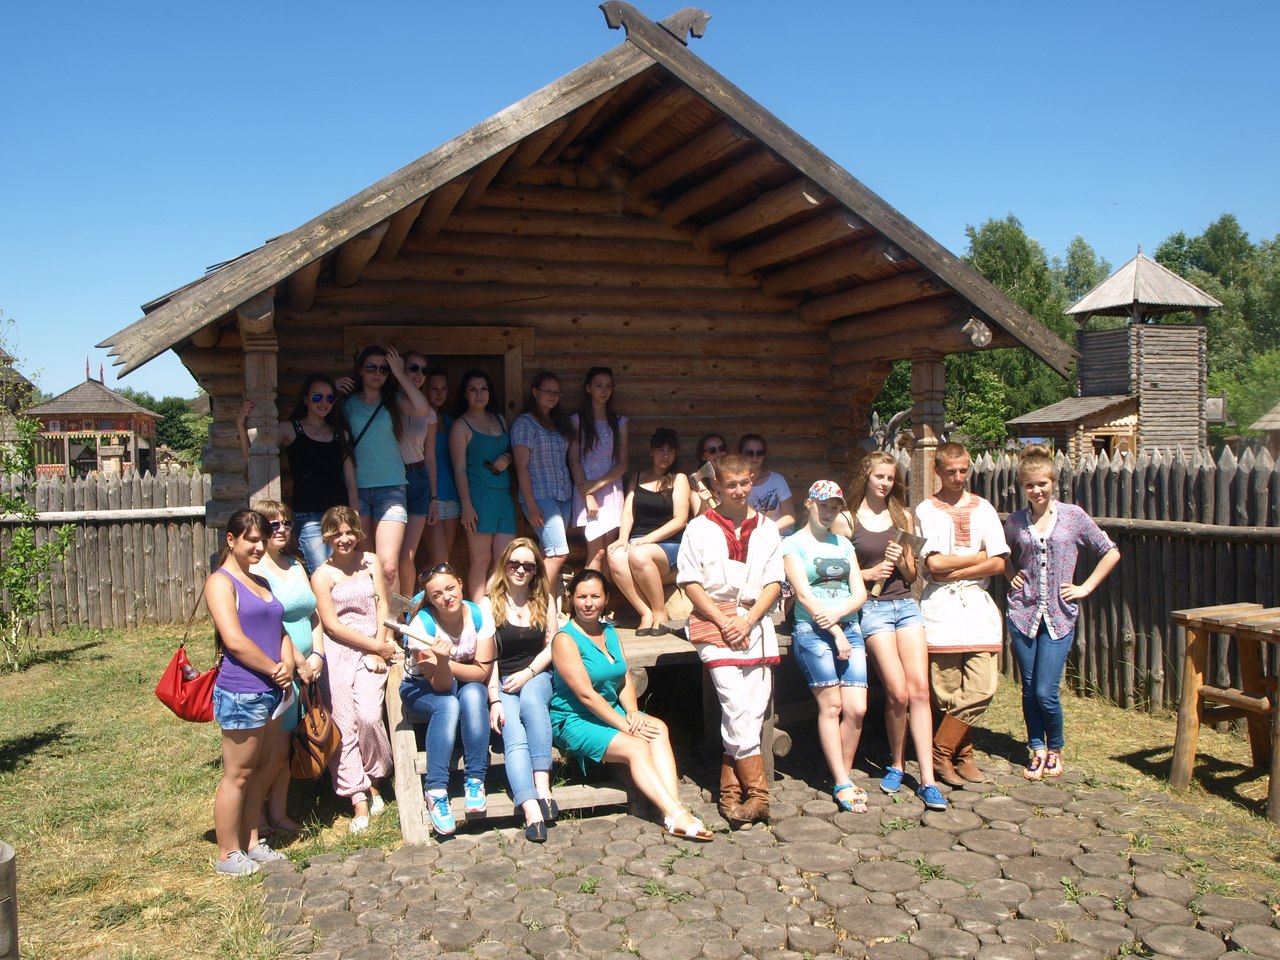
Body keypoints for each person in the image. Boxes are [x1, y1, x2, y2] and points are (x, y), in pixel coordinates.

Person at [550, 570, 712, 841]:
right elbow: (586, 695)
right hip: (575, 718)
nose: (588, 603)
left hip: (611, 710)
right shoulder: (565, 639)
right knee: (636, 746)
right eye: (581, 597)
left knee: (658, 729)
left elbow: (623, 676)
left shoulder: (609, 632)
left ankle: (673, 809)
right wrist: (625, 725)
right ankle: (675, 813)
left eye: (595, 596)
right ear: (571, 599)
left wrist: (633, 712)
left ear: (606, 599)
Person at [676, 454, 783, 827]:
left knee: (753, 711)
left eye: (745, 483)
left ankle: (730, 792)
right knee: (735, 705)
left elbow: (774, 581)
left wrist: (748, 619)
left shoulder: (767, 529)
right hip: (713, 622)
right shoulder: (699, 528)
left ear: (752, 480)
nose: (739, 491)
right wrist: (724, 621)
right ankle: (760, 794)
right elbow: (690, 581)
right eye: (731, 484)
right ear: (717, 486)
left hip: (754, 623)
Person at [1004, 445, 1119, 779]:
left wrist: (1085, 587)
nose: (1037, 490)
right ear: (1022, 486)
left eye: (1042, 483)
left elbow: (1110, 551)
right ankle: (1036, 749)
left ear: (1053, 482)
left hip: (1059, 614)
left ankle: (1055, 747)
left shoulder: (1073, 517)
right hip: (1023, 614)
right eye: (1030, 485)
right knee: (1028, 689)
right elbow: (1000, 553)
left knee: (1045, 690)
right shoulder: (1016, 522)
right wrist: (1010, 574)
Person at [833, 452, 942, 803]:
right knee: (897, 692)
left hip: (905, 606)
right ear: (866, 476)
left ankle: (928, 779)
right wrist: (869, 573)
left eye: (890, 478)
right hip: (872, 609)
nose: (885, 483)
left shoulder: (902, 517)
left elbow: (911, 575)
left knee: (920, 691)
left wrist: (903, 560)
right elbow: (835, 573)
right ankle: (897, 764)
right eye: (880, 476)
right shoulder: (847, 520)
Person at [915, 442, 1010, 788]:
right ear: (938, 471)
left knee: (983, 685)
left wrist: (957, 570)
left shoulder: (983, 508)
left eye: (963, 470)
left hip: (976, 604)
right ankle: (962, 754)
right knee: (946, 689)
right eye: (951, 471)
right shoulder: (927, 510)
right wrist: (977, 557)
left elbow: (999, 562)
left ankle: (940, 750)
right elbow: (934, 563)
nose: (958, 477)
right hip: (941, 606)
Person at [206, 510, 294, 876]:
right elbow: (234, 641)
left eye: (263, 539)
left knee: (260, 770)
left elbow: (280, 629)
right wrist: (274, 668)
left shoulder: (261, 580)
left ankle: (252, 842)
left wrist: (288, 662)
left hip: (273, 690)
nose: (259, 547)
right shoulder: (220, 582)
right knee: (238, 774)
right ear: (231, 540)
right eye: (252, 540)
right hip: (243, 691)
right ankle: (227, 853)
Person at [311, 506, 397, 833]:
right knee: (344, 722)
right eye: (337, 533)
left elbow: (383, 604)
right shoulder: (322, 576)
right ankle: (357, 797)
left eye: (349, 532)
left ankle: (375, 777)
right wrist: (374, 645)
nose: (344, 539)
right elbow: (331, 625)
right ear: (328, 537)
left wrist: (380, 644)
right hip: (339, 650)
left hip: (373, 645)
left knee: (369, 717)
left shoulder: (370, 562)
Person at [399, 562, 496, 836]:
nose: (447, 597)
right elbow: (441, 686)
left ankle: (475, 779)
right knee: (449, 704)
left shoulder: (478, 615)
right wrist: (441, 661)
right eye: (437, 594)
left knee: (475, 694)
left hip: (464, 681)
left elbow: (481, 673)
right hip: (421, 688)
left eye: (450, 588)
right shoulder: (422, 624)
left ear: (461, 584)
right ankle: (436, 789)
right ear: (430, 599)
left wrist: (446, 662)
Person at [251, 500, 326, 837]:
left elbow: (313, 613)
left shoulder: (295, 564)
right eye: (273, 524)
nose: (282, 529)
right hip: (279, 668)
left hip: (307, 668)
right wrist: (298, 661)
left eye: (287, 523)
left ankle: (279, 813)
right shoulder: (256, 571)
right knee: (273, 750)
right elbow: (271, 623)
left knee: (287, 747)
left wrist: (318, 654)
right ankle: (255, 816)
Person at [237, 374, 358, 574]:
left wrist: (354, 517)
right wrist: (241, 425)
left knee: (342, 572)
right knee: (321, 571)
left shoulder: (340, 434)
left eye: (329, 398)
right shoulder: (290, 428)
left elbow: (351, 481)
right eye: (317, 397)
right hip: (308, 515)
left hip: (339, 514)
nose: (324, 403)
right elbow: (255, 457)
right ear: (305, 399)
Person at [483, 538, 560, 842]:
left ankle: (543, 786)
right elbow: (487, 658)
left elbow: (552, 645)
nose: (520, 570)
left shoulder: (545, 600)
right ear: (504, 565)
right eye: (514, 563)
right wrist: (494, 700)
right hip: (503, 680)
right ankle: (530, 807)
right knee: (513, 733)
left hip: (537, 673)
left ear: (536, 570)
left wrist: (528, 673)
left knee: (531, 701)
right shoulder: (489, 603)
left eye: (528, 565)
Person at [344, 344, 430, 594]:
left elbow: (422, 408)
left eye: (383, 369)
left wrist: (400, 373)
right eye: (371, 367)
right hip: (359, 488)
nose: (377, 373)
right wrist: (336, 390)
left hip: (391, 489)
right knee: (366, 565)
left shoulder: (394, 401)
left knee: (389, 567)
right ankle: (374, 617)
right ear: (360, 370)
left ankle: (393, 618)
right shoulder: (347, 404)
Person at [608, 428, 690, 635]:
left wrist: (648, 539)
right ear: (651, 451)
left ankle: (660, 613)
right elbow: (628, 512)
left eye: (670, 451)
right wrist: (623, 538)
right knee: (616, 556)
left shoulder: (679, 479)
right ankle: (645, 612)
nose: (665, 455)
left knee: (639, 554)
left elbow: (680, 520)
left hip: (670, 543)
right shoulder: (637, 477)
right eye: (661, 450)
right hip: (639, 541)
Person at [450, 369, 516, 601]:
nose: (479, 394)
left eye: (484, 389)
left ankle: (497, 607)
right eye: (473, 389)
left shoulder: (500, 419)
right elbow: (459, 469)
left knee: (504, 560)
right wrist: (467, 505)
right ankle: (480, 609)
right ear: (465, 394)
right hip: (479, 496)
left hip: (503, 496)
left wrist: (507, 458)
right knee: (481, 559)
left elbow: (511, 450)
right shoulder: (461, 426)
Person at [511, 372, 574, 596]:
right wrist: (531, 503)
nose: (553, 396)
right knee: (558, 553)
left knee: (548, 552)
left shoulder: (558, 423)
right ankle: (534, 600)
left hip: (563, 495)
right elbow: (521, 466)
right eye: (548, 391)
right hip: (539, 495)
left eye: (557, 392)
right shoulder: (525, 423)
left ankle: (549, 605)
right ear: (535, 392)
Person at [570, 367, 629, 571]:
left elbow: (623, 463)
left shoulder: (619, 421)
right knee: (597, 552)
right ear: (588, 388)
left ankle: (604, 591)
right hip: (585, 490)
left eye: (608, 386)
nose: (604, 391)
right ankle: (589, 591)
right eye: (598, 385)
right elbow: (574, 461)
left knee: (609, 552)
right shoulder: (577, 420)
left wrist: (597, 484)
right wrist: (588, 494)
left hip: (611, 491)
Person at [396, 351, 440, 598]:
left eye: (424, 370)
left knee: (407, 555)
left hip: (418, 477)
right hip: (391, 479)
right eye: (413, 368)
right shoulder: (390, 403)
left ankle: (406, 611)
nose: (419, 374)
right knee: (390, 555)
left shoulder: (430, 413)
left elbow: (430, 456)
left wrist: (434, 497)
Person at [422, 366, 461, 568]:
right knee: (440, 560)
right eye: (434, 389)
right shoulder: (419, 419)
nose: (439, 394)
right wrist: (432, 497)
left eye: (443, 389)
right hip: (430, 496)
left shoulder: (448, 421)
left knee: (443, 563)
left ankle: (422, 588)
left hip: (451, 495)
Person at [738, 433, 795, 534]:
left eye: (760, 453)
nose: (755, 457)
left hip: (778, 535)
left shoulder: (777, 480)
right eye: (749, 453)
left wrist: (766, 532)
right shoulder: (736, 485)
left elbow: (790, 516)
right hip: (746, 537)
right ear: (740, 454)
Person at [688, 432, 728, 519]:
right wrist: (703, 502)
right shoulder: (698, 490)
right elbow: (698, 523)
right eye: (712, 450)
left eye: (721, 448)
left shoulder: (736, 479)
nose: (718, 453)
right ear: (703, 456)